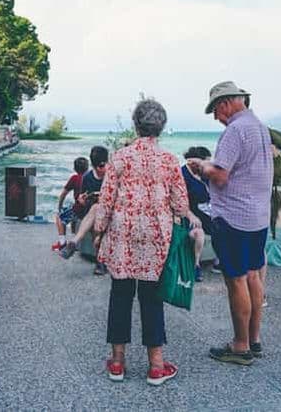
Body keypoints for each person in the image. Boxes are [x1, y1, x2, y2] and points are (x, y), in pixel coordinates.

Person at [94, 99, 201, 386]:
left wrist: (99, 231)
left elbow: (106, 200)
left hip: (122, 237)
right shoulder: (168, 160)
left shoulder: (120, 157)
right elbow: (181, 205)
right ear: (161, 127)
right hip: (156, 239)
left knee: (120, 295)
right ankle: (156, 366)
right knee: (152, 298)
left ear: (136, 124)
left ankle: (117, 363)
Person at [187, 81, 273, 365]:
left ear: (225, 104)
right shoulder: (259, 127)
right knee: (253, 276)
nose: (216, 117)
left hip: (234, 217)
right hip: (258, 216)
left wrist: (202, 166)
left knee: (236, 279)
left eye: (215, 110)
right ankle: (254, 339)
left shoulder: (235, 130)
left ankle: (240, 346)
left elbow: (221, 175)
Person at [60, 146, 109, 275]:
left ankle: (74, 242)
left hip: (110, 211)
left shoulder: (111, 175)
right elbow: (83, 199)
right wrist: (82, 200)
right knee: (95, 212)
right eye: (97, 167)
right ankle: (100, 262)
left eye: (102, 166)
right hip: (94, 213)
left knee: (96, 209)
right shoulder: (87, 177)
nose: (100, 170)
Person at [182, 146, 215, 282]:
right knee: (198, 233)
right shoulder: (183, 175)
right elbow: (180, 201)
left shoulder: (204, 174)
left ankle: (222, 261)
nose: (207, 166)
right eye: (205, 162)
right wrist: (190, 215)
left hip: (209, 212)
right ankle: (196, 265)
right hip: (191, 214)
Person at [52, 156, 90, 251]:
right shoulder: (90, 177)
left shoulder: (75, 178)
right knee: (72, 212)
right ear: (87, 167)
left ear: (74, 168)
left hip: (79, 209)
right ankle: (74, 240)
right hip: (88, 209)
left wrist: (59, 207)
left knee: (60, 217)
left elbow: (63, 194)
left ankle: (62, 243)